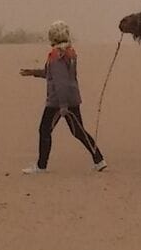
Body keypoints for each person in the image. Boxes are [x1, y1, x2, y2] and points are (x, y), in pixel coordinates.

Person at [21, 22, 106, 173]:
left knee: (44, 130)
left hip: (58, 101)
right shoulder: (69, 52)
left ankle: (41, 166)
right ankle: (99, 159)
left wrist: (63, 106)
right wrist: (33, 72)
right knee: (78, 131)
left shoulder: (57, 55)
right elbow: (52, 74)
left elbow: (60, 81)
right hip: (71, 97)